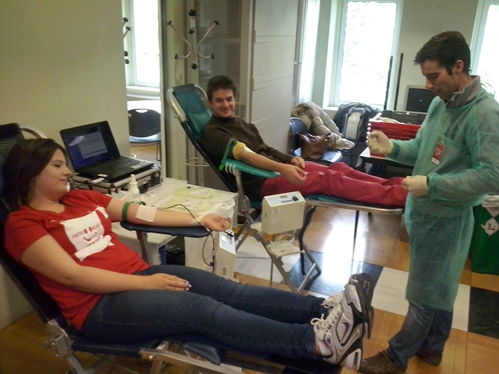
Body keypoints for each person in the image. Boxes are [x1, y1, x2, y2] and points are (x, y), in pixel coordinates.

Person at [3, 138, 375, 370]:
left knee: (232, 292)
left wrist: (197, 217)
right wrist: (146, 284)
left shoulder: (80, 197)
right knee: (202, 310)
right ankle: (315, 344)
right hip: (99, 308)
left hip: (137, 280)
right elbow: (71, 276)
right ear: (30, 174)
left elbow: (139, 213)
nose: (68, 171)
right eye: (57, 165)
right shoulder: (23, 225)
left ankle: (327, 312)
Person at [360, 31, 499, 373]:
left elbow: (492, 175)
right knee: (441, 286)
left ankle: (396, 357)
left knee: (424, 292)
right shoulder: (441, 103)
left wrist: (432, 184)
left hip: (447, 218)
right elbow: (422, 150)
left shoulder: (483, 114)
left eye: (434, 77)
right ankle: (434, 348)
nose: (429, 85)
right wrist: (390, 146)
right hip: (424, 213)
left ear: (458, 67)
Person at [201, 75, 407, 207]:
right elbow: (248, 156)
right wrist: (283, 169)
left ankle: (401, 186)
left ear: (235, 99)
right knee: (330, 181)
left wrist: (290, 160)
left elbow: (265, 149)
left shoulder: (241, 123)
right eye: (219, 100)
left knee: (339, 170)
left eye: (229, 99)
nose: (226, 104)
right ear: (210, 103)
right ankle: (399, 196)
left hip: (274, 172)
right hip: (261, 183)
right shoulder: (214, 132)